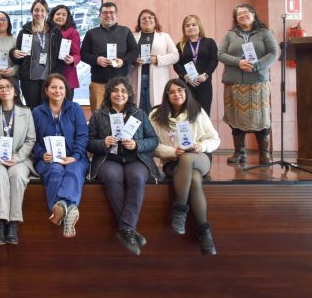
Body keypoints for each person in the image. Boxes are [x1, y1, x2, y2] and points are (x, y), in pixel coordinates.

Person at [87, 77, 159, 256]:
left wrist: (137, 144)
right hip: (108, 159)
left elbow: (153, 140)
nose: (119, 94)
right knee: (112, 177)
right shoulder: (98, 115)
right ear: (109, 93)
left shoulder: (139, 113)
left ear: (129, 95)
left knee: (137, 177)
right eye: (115, 90)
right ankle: (129, 230)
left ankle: (126, 229)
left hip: (136, 159)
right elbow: (88, 143)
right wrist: (103, 142)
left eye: (123, 91)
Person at [150, 79, 220, 255]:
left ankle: (180, 210)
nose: (177, 94)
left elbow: (214, 139)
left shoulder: (197, 111)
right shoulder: (156, 115)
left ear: (186, 92)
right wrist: (173, 152)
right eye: (172, 91)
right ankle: (204, 232)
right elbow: (151, 145)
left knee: (188, 158)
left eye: (180, 90)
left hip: (199, 157)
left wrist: (200, 146)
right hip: (172, 161)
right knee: (195, 179)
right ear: (167, 95)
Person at [0, 75, 36, 245]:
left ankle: (13, 224)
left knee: (16, 175)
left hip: (19, 159)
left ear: (15, 91)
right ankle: (0, 223)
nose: (4, 90)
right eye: (1, 87)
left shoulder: (26, 112)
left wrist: (17, 158)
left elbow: (30, 140)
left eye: (8, 87)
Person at [218, 3, 278, 164]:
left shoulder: (264, 33)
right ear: (236, 19)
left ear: (253, 14)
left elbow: (274, 53)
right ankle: (240, 152)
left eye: (245, 12)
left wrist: (256, 65)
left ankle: (264, 154)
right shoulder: (230, 35)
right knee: (235, 119)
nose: (242, 16)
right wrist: (238, 62)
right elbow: (220, 53)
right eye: (239, 14)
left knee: (261, 118)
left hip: (257, 83)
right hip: (234, 83)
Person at [31, 74, 89, 238]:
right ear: (46, 90)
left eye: (61, 88)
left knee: (73, 170)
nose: (57, 91)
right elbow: (31, 140)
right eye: (53, 87)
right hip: (47, 159)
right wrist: (41, 154)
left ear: (66, 91)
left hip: (74, 157)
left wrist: (75, 156)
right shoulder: (37, 112)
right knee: (55, 170)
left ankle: (59, 207)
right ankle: (70, 210)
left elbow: (83, 136)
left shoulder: (75, 108)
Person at [81, 2, 138, 111]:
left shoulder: (125, 31)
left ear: (116, 15)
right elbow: (83, 54)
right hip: (98, 84)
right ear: (100, 15)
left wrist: (123, 61)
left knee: (121, 115)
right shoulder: (91, 33)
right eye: (105, 13)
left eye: (111, 12)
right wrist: (96, 60)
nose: (108, 15)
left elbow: (135, 51)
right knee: (98, 115)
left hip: (121, 85)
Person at [10, 0, 64, 108]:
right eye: (36, 10)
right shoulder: (25, 31)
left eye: (42, 10)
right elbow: (19, 58)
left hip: (49, 78)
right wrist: (13, 53)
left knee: (48, 108)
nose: (39, 13)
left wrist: (56, 74)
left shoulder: (55, 32)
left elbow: (60, 56)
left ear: (47, 13)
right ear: (32, 12)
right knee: (33, 108)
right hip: (29, 79)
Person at [130, 9, 179, 113]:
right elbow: (126, 56)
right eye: (143, 18)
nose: (147, 20)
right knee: (138, 110)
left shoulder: (164, 37)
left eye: (150, 17)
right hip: (137, 78)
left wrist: (158, 59)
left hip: (158, 78)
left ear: (155, 21)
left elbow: (175, 56)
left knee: (156, 110)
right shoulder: (132, 36)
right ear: (139, 22)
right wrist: (133, 61)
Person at [173, 15, 218, 116]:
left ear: (199, 26)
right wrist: (185, 76)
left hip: (204, 84)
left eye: (194, 25)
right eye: (187, 25)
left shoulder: (209, 42)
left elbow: (214, 60)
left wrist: (205, 75)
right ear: (184, 29)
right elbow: (176, 64)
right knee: (186, 114)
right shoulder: (180, 45)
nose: (191, 27)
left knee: (204, 114)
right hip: (186, 84)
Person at [49, 4, 81, 100]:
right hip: (48, 73)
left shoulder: (73, 33)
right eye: (58, 14)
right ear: (52, 16)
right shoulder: (46, 31)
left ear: (68, 18)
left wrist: (72, 60)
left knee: (66, 105)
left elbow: (77, 55)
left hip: (66, 73)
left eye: (64, 15)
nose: (60, 17)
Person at [0, 10, 18, 104]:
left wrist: (13, 71)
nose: (1, 22)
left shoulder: (15, 39)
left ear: (8, 22)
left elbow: (22, 61)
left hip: (11, 81)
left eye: (3, 19)